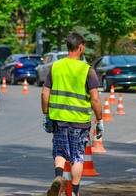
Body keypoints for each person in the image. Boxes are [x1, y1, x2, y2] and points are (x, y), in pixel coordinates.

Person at [41, 32, 103, 196]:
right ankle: (74, 192)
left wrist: (46, 115)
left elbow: (44, 93)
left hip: (59, 120)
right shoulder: (87, 70)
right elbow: (95, 99)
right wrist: (100, 120)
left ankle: (59, 178)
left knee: (60, 152)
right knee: (77, 156)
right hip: (80, 122)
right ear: (81, 47)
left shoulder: (55, 67)